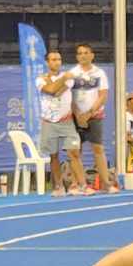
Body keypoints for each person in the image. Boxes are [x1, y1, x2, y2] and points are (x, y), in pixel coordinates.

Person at [37, 49, 92, 197]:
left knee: (73, 153)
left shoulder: (68, 78)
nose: (57, 62)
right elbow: (51, 90)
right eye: (53, 60)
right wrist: (60, 79)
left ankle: (82, 185)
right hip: (49, 122)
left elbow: (58, 92)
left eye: (59, 59)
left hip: (67, 122)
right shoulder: (40, 79)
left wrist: (60, 79)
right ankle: (58, 186)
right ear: (47, 62)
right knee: (53, 156)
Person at [67, 44, 116, 192]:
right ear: (77, 57)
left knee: (98, 149)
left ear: (92, 55)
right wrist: (78, 115)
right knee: (75, 151)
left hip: (94, 116)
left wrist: (89, 113)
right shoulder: (71, 73)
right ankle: (76, 184)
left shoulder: (99, 73)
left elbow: (103, 96)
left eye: (86, 53)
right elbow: (68, 96)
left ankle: (106, 183)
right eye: (80, 53)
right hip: (75, 117)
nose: (83, 55)